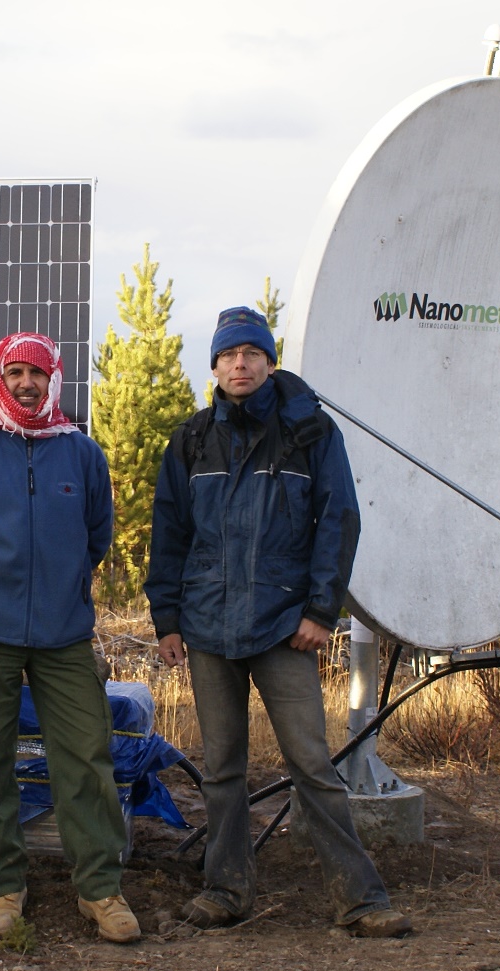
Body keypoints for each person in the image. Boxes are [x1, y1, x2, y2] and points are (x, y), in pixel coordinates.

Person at [145, 306, 411, 938]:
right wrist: (167, 620)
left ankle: (361, 899)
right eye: (229, 354)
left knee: (312, 764)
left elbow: (338, 522)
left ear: (270, 362)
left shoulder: (310, 434)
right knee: (223, 768)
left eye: (252, 353)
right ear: (213, 366)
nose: (240, 364)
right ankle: (227, 889)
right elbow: (170, 534)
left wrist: (322, 610)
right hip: (208, 626)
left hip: (284, 625)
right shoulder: (190, 440)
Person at [0, 332, 139, 944]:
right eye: (16, 371)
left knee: (86, 759)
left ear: (54, 379)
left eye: (38, 373)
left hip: (64, 634)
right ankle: (3, 884)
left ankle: (99, 889)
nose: (27, 382)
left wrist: (62, 583)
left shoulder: (82, 454)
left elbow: (95, 537)